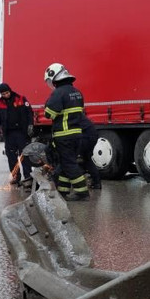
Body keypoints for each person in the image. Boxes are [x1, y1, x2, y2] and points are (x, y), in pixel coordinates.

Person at [43, 63, 90, 200]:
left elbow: (49, 114)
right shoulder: (76, 92)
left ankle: (82, 193)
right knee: (65, 164)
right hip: (77, 134)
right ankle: (63, 192)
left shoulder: (58, 93)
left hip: (64, 135)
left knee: (69, 164)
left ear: (54, 76)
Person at [0, 83, 34, 185]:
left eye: (7, 93)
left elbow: (29, 113)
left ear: (10, 90)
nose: (6, 95)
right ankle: (15, 177)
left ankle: (28, 177)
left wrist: (30, 125)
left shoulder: (20, 99)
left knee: (24, 155)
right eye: (3, 94)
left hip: (22, 132)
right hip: (8, 133)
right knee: (11, 156)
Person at [79, 122, 101, 189]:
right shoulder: (77, 115)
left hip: (86, 137)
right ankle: (97, 183)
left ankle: (80, 185)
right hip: (91, 135)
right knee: (87, 159)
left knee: (83, 159)